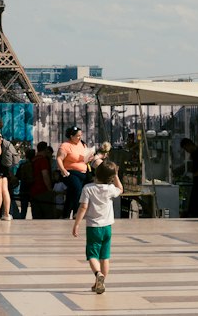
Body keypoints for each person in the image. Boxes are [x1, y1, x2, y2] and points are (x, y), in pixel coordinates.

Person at [72, 158, 123, 294]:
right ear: (111, 178)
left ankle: (98, 274)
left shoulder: (88, 188)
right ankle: (100, 284)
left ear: (96, 173)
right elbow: (120, 189)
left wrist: (76, 224)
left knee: (92, 255)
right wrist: (116, 174)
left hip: (94, 228)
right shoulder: (111, 189)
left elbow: (83, 207)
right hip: (107, 228)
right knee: (105, 257)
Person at [57, 125, 92, 219]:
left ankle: (65, 214)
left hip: (83, 172)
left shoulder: (83, 144)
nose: (79, 138)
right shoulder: (66, 146)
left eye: (80, 135)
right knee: (77, 190)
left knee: (71, 193)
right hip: (70, 172)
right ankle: (77, 211)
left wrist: (89, 157)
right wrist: (63, 169)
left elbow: (85, 158)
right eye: (77, 136)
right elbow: (59, 159)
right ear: (71, 136)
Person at [181, 139, 198, 218]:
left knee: (197, 200)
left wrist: (193, 175)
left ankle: (195, 215)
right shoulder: (193, 154)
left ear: (189, 145)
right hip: (196, 180)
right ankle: (192, 213)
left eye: (186, 149)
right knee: (193, 199)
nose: (187, 151)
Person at [28, 142, 54, 219]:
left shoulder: (33, 159)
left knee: (36, 216)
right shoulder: (43, 160)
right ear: (45, 149)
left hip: (32, 190)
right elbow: (45, 175)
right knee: (47, 215)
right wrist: (49, 189)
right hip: (43, 190)